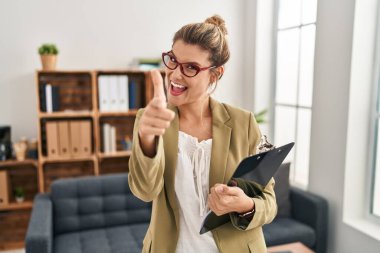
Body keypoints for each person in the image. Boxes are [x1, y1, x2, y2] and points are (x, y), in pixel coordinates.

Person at [128, 15, 277, 253]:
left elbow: (269, 202)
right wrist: (147, 139)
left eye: (190, 67)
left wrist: (245, 204)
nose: (175, 75)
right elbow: (144, 192)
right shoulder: (151, 119)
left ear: (215, 74)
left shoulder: (244, 123)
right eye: (172, 60)